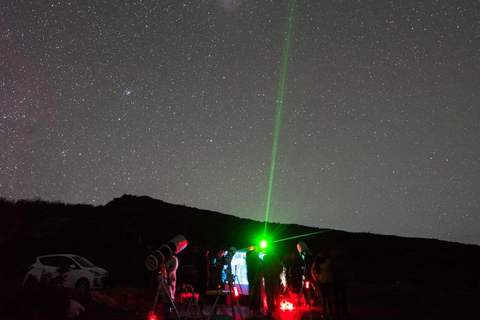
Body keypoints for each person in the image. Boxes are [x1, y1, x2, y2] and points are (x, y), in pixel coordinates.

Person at [262, 247, 283, 318]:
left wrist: (265, 275)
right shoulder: (274, 256)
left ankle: (271, 309)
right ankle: (274, 309)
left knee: (270, 294)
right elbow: (280, 267)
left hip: (271, 278)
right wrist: (277, 273)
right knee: (274, 293)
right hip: (272, 277)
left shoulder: (267, 257)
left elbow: (263, 268)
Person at [329, 251, 349, 319]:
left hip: (337, 281)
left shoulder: (332, 262)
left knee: (338, 298)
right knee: (340, 298)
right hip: (339, 281)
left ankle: (340, 313)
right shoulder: (340, 262)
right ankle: (343, 313)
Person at [160, 256, 179, 320]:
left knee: (170, 294)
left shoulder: (174, 259)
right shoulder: (166, 259)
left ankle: (169, 311)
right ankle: (166, 311)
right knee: (166, 295)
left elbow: (173, 268)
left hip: (170, 278)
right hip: (166, 279)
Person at [246, 246, 263, 315]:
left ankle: (252, 308)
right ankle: (256, 309)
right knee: (257, 293)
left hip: (251, 277)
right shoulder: (257, 259)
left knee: (252, 292)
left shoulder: (249, 258)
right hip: (257, 278)